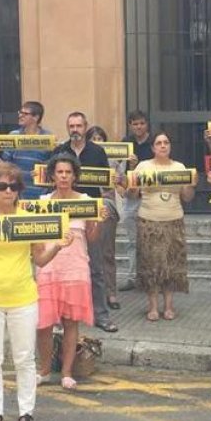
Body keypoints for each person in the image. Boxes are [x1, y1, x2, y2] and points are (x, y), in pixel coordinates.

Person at [0, 162, 71, 421]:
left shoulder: (29, 220)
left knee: (24, 359)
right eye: (3, 186)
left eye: (14, 186)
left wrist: (58, 247)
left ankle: (26, 412)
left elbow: (39, 260)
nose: (9, 191)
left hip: (23, 299)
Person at [35, 154, 103, 391]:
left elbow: (92, 238)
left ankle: (66, 373)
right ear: (52, 175)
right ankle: (43, 370)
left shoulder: (86, 200)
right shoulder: (42, 201)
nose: (63, 176)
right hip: (48, 267)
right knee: (42, 324)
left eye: (68, 172)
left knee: (70, 323)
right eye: (59, 172)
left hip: (75, 267)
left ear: (75, 176)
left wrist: (97, 221)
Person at [51, 112, 117, 333]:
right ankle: (60, 315)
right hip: (63, 214)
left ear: (86, 127)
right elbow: (48, 182)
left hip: (89, 211)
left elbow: (106, 185)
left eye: (79, 125)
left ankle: (101, 315)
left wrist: (104, 207)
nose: (75, 129)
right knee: (60, 268)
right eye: (71, 125)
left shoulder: (97, 151)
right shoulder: (59, 151)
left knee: (95, 267)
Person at [128, 132, 194, 321]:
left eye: (166, 142)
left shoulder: (179, 167)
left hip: (174, 220)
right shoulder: (144, 166)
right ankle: (153, 307)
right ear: (153, 148)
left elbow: (187, 197)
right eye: (159, 143)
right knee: (151, 265)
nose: (163, 146)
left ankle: (169, 306)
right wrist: (131, 183)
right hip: (148, 221)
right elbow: (132, 196)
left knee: (171, 265)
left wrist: (190, 184)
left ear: (170, 146)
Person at [85, 125, 122, 310]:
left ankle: (111, 293)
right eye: (93, 138)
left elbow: (125, 188)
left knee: (107, 253)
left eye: (100, 138)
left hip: (107, 209)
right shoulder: (82, 160)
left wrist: (120, 178)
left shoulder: (113, 162)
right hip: (85, 209)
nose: (97, 142)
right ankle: (90, 294)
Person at [117, 110, 153, 291]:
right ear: (130, 125)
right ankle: (132, 277)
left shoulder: (154, 143)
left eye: (141, 123)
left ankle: (149, 277)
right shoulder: (126, 143)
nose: (138, 127)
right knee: (133, 241)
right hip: (131, 199)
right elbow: (121, 174)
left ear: (147, 124)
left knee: (150, 240)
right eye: (135, 124)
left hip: (150, 198)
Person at [0, 101, 51, 200]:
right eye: (20, 113)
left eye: (25, 114)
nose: (20, 116)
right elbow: (6, 166)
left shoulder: (48, 138)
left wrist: (44, 171)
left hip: (40, 194)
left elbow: (53, 167)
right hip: (16, 193)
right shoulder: (13, 135)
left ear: (36, 117)